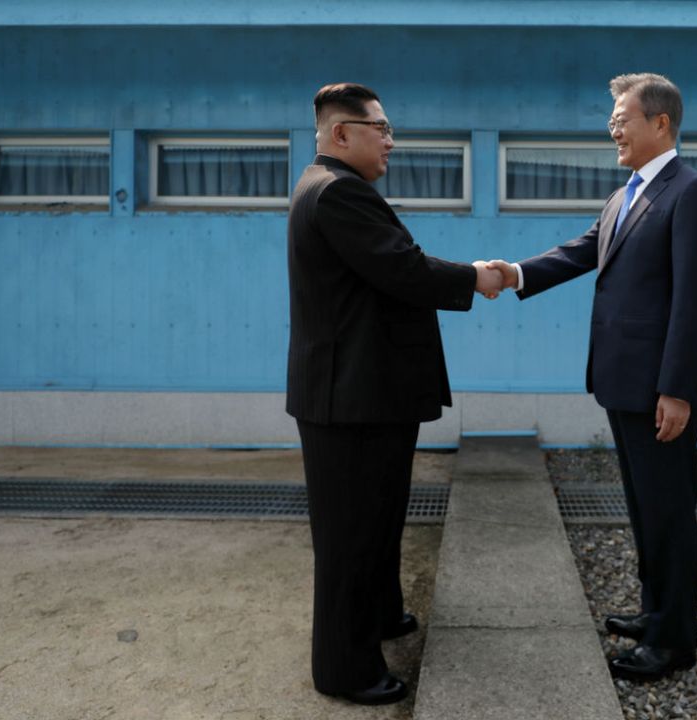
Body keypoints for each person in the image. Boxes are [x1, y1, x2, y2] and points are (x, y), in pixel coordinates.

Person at [488, 73, 697, 682]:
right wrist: (513, 272)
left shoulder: (691, 192)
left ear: (661, 123)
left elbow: (696, 302)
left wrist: (675, 389)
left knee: (669, 511)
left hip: (661, 388)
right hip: (623, 381)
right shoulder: (627, 194)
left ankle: (674, 641)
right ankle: (655, 612)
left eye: (623, 117)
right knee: (645, 507)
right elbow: (582, 250)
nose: (612, 128)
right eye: (613, 119)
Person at [286, 82, 505, 705]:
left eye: (389, 128)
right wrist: (477, 278)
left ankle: (382, 615)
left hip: (366, 394)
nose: (390, 139)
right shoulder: (335, 193)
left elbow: (392, 265)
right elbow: (404, 269)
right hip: (348, 400)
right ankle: (344, 669)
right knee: (350, 538)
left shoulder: (339, 190)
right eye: (378, 128)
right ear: (340, 134)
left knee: (378, 521)